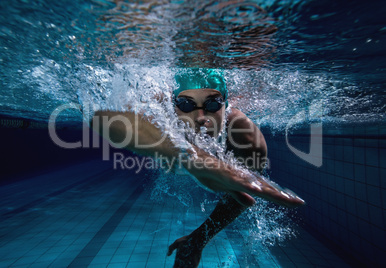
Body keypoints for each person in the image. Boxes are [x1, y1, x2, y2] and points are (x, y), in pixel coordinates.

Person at [92, 68, 304, 267]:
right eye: (186, 104)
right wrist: (192, 157)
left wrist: (199, 238)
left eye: (213, 104)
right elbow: (101, 118)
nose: (201, 117)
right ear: (173, 106)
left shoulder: (246, 137)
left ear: (226, 104)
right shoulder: (160, 112)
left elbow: (239, 196)